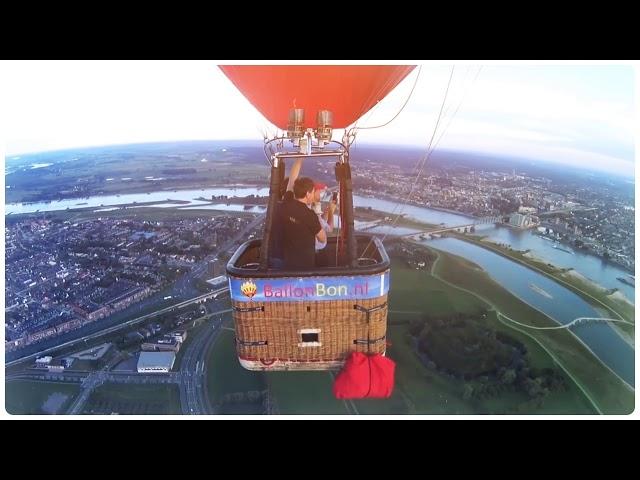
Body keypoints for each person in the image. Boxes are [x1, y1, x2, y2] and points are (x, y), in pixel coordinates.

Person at [281, 177, 327, 269]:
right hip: (304, 265)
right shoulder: (310, 215)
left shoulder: (286, 204)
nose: (314, 195)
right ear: (307, 194)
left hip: (286, 262)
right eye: (313, 192)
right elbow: (323, 239)